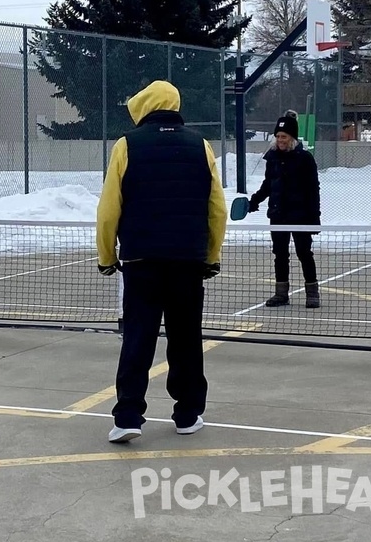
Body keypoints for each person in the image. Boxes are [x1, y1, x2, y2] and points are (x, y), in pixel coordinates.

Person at [96, 80, 227, 444]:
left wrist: (107, 256)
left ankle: (127, 416)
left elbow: (109, 210)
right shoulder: (200, 146)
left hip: (141, 260)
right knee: (186, 338)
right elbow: (216, 208)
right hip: (188, 260)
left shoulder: (126, 145)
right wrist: (211, 256)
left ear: (143, 107)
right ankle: (187, 413)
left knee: (138, 337)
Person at [248, 110, 322, 309]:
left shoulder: (305, 159)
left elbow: (313, 190)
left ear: (292, 138)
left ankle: (312, 293)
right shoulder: (272, 157)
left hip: (301, 216)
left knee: (304, 253)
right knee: (280, 254)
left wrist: (314, 218)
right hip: (278, 214)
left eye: (284, 137)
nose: (280, 140)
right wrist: (254, 200)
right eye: (278, 136)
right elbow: (268, 184)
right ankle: (281, 294)